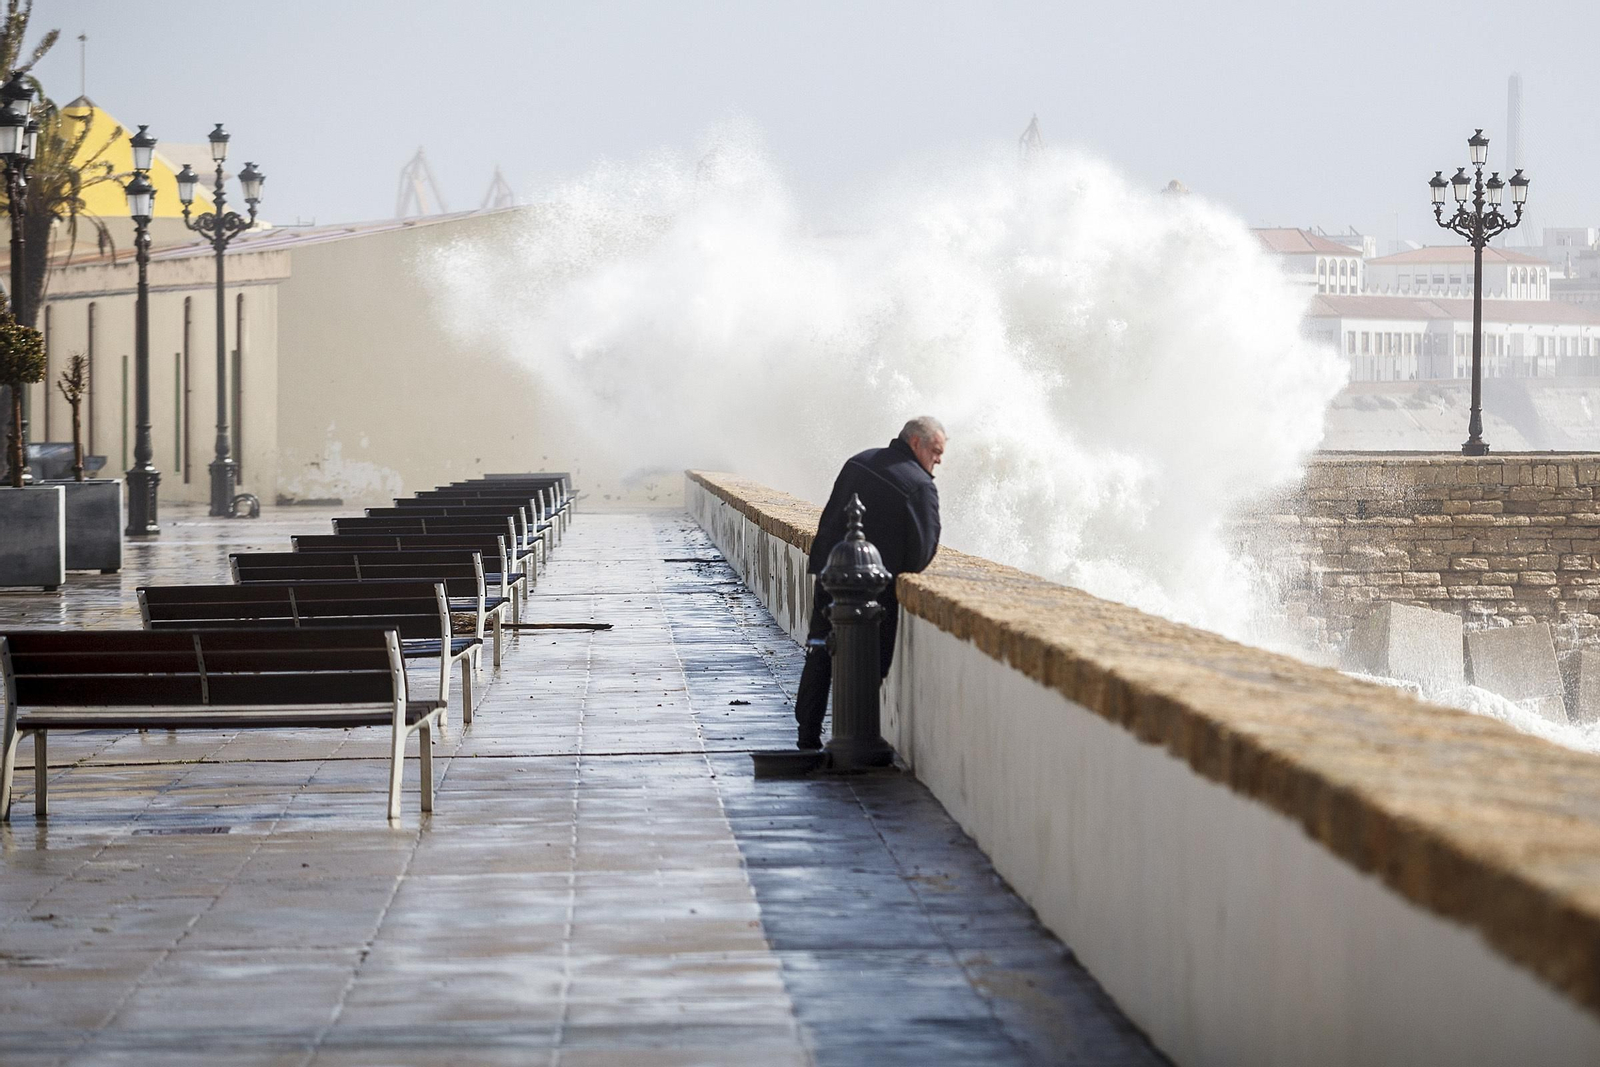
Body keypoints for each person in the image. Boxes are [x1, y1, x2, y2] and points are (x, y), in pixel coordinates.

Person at [794, 416, 945, 749]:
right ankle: (854, 740)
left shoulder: (858, 462)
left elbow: (830, 517)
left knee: (818, 648)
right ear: (916, 443)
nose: (938, 460)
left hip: (831, 573)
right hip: (876, 594)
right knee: (868, 665)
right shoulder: (919, 485)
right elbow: (922, 552)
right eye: (935, 451)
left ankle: (807, 735)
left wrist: (826, 564)